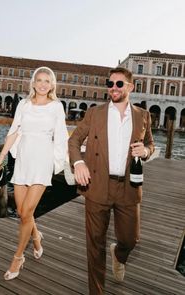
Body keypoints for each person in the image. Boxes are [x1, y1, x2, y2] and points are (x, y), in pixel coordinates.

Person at [68, 67, 155, 294]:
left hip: (128, 186)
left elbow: (151, 144)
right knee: (95, 245)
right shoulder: (95, 113)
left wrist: (145, 151)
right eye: (110, 83)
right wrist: (79, 163)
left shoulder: (142, 115)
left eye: (119, 84)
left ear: (130, 87)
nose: (113, 88)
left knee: (130, 239)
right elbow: (74, 140)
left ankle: (119, 254)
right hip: (97, 185)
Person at [0, 66, 68, 280]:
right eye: (40, 80)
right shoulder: (23, 105)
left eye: (47, 81)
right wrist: (0, 158)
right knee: (22, 211)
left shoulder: (56, 107)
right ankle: (36, 236)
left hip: (42, 162)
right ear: (33, 83)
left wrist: (57, 162)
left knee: (26, 212)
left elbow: (61, 136)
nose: (43, 84)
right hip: (23, 161)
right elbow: (15, 132)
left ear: (52, 85)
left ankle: (18, 258)